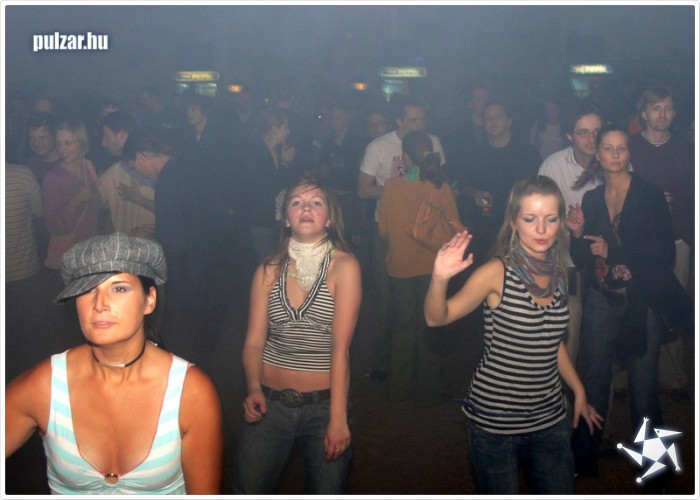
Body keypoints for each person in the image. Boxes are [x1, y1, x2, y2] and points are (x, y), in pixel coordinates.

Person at [4, 232, 224, 494]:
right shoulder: (45, 386)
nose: (99, 304)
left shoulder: (191, 392)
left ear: (149, 300)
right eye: (87, 289)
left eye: (119, 288)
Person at [424, 175, 602, 494]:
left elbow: (550, 341)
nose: (541, 229)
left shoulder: (556, 271)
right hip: (496, 422)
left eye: (551, 219)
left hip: (549, 418)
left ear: (561, 222)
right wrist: (439, 278)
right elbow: (437, 318)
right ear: (514, 221)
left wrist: (578, 391)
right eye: (530, 219)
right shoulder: (496, 273)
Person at [234, 178, 361, 494]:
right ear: (286, 219)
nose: (306, 208)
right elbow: (253, 342)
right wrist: (253, 387)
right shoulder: (268, 269)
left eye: (316, 203)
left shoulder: (344, 266)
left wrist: (338, 418)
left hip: (323, 406)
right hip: (269, 405)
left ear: (329, 219)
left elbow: (340, 348)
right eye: (297, 202)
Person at [566, 124, 677, 483]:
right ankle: (583, 459)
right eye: (608, 148)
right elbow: (583, 258)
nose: (615, 155)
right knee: (593, 382)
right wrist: (577, 234)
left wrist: (613, 251)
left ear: (629, 153)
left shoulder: (649, 195)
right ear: (597, 155)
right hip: (602, 300)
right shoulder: (591, 199)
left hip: (640, 303)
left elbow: (663, 255)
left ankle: (656, 470)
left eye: (622, 148)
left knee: (643, 390)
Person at [377, 130, 461, 407]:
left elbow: (383, 231)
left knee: (402, 327)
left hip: (400, 267)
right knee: (429, 325)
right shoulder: (441, 187)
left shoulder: (391, 186)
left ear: (405, 156)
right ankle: (428, 392)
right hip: (434, 267)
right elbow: (455, 228)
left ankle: (398, 392)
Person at [628, 85, 694, 402]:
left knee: (673, 308)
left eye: (668, 108)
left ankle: (672, 377)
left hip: (676, 238)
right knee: (632, 307)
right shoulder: (629, 147)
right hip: (636, 242)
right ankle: (625, 375)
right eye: (656, 107)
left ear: (675, 112)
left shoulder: (686, 148)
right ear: (644, 113)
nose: (662, 114)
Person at [537, 101, 604, 362]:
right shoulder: (553, 166)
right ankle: (567, 385)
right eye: (583, 132)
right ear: (569, 135)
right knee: (569, 334)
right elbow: (541, 217)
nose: (592, 139)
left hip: (606, 262)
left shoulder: (615, 160)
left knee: (602, 338)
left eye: (597, 132)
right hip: (566, 263)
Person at [41, 119, 102, 271]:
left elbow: (98, 207)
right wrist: (76, 200)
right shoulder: (53, 178)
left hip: (91, 252)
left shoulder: (88, 167)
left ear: (82, 144)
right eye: (58, 143)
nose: (62, 149)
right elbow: (54, 226)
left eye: (68, 143)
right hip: (69, 257)